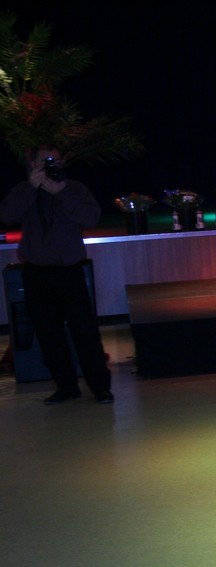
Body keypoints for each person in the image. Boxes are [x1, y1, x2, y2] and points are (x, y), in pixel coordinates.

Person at [0, 146, 113, 404]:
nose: (51, 164)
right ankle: (65, 387)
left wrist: (61, 192)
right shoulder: (24, 189)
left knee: (85, 333)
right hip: (36, 274)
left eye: (56, 160)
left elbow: (91, 217)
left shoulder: (74, 189)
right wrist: (31, 187)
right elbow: (7, 215)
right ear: (33, 164)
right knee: (48, 335)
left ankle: (100, 387)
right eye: (45, 160)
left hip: (69, 273)